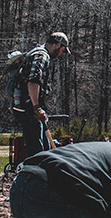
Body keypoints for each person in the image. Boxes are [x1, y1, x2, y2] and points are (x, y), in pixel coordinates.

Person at [11, 32, 69, 163]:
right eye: (62, 50)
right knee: (36, 150)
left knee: (43, 147)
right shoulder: (41, 56)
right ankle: (33, 178)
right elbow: (33, 81)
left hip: (30, 106)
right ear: (58, 45)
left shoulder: (37, 53)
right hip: (29, 108)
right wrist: (36, 107)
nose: (60, 54)